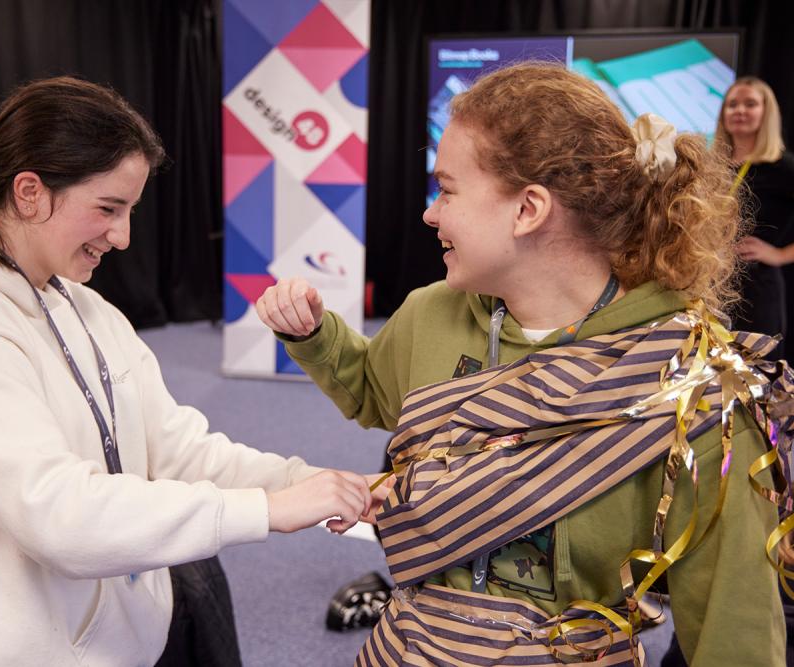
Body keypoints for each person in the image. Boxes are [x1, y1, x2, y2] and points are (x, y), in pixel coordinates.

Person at [257, 62, 789, 665]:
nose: (431, 213)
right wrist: (315, 336)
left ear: (528, 209)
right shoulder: (430, 314)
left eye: (448, 190)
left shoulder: (694, 388)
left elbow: (733, 631)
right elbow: (374, 393)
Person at [0, 75, 385, 667]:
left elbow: (175, 449)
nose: (123, 236)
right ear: (29, 192)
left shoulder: (84, 307)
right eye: (108, 208)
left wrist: (312, 483)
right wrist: (267, 511)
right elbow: (59, 514)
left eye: (130, 210)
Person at [716, 77, 794, 361]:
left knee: (757, 376)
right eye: (732, 104)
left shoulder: (783, 167)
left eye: (750, 104)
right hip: (712, 286)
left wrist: (779, 255)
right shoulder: (712, 167)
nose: (740, 110)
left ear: (766, 112)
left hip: (756, 293)